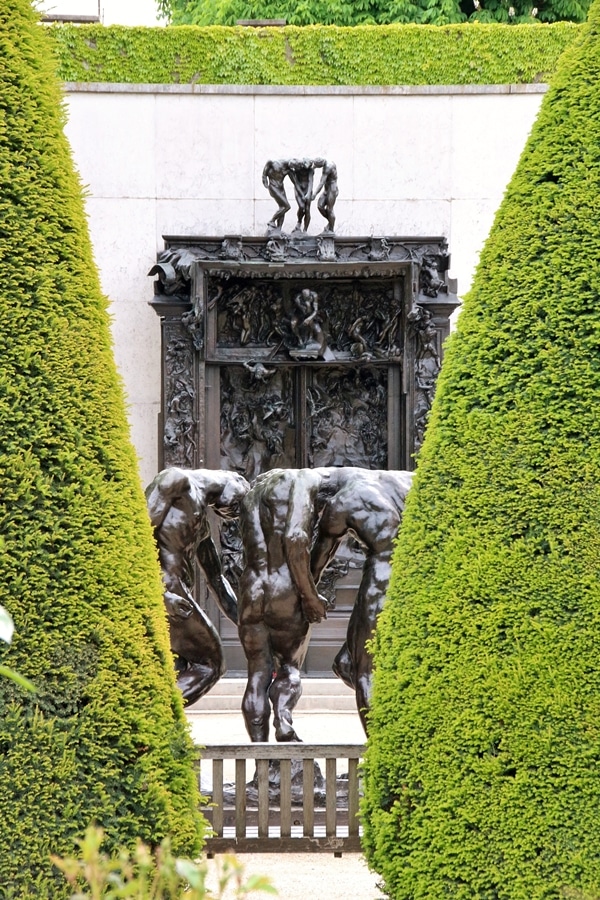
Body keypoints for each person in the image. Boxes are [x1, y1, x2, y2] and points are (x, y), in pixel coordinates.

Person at [310, 468, 413, 733]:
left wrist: (305, 594)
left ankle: (381, 752)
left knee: (365, 670)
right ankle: (397, 719)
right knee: (345, 663)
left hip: (383, 581)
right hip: (418, 580)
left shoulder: (341, 503)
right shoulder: (403, 480)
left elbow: (319, 559)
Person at [238, 468, 329, 743]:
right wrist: (310, 596)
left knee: (256, 674)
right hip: (285, 588)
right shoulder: (298, 486)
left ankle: (258, 755)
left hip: (252, 587)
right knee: (289, 667)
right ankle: (283, 716)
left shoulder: (250, 497)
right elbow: (295, 540)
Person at [146, 467, 250, 705]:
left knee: (174, 670)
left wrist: (249, 625)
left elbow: (217, 581)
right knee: (211, 664)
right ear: (233, 478)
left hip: (178, 596)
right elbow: (136, 535)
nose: (236, 511)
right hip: (167, 593)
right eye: (239, 503)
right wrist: (160, 596)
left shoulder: (201, 523)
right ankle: (150, 714)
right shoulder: (175, 480)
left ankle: (157, 730)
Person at [262, 158, 292, 230]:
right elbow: (264, 174)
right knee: (287, 206)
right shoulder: (272, 162)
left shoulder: (289, 169)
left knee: (282, 208)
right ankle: (271, 221)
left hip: (281, 189)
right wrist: (265, 182)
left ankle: (279, 229)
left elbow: (295, 181)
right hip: (273, 187)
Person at [312, 159, 338, 233]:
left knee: (330, 209)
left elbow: (321, 183)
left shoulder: (328, 167)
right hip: (326, 189)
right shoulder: (325, 163)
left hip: (332, 189)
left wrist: (314, 194)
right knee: (320, 206)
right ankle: (330, 222)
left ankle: (331, 230)